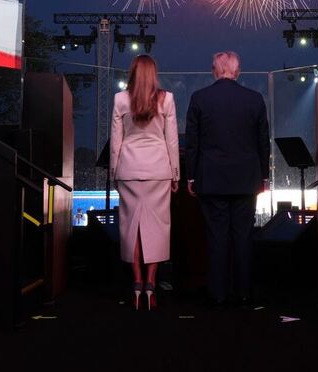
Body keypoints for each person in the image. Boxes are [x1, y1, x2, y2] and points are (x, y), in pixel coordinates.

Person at [183, 51, 270, 309]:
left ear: (214, 70)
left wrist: (191, 175)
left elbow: (192, 143)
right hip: (246, 179)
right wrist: (264, 176)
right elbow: (262, 142)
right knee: (243, 236)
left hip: (211, 179)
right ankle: (244, 292)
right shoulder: (255, 100)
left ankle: (217, 292)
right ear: (237, 71)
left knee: (216, 236)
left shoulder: (199, 98)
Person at [109, 55, 179, 311]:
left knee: (132, 229)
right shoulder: (167, 99)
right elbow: (171, 140)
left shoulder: (120, 99)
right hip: (158, 171)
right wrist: (175, 173)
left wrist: (114, 173)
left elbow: (116, 141)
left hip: (128, 170)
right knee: (157, 229)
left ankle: (136, 285)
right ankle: (151, 285)